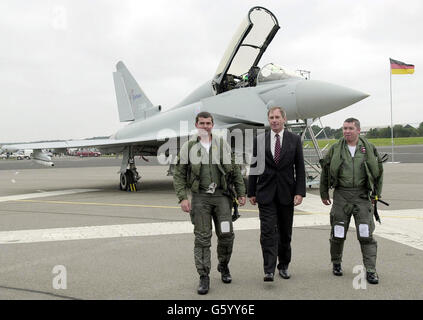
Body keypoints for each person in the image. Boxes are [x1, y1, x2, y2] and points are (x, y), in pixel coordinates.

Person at [173, 111, 246, 295]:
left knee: (227, 234)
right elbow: (179, 174)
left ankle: (223, 265)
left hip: (222, 197)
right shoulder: (188, 147)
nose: (205, 126)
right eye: (202, 123)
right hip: (201, 199)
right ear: (196, 125)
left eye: (208, 123)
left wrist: (241, 192)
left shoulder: (222, 144)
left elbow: (235, 169)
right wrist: (182, 197)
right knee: (202, 238)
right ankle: (204, 276)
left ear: (212, 125)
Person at [320, 118, 384, 284]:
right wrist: (324, 193)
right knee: (338, 233)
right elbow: (325, 171)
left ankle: (370, 270)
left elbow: (378, 173)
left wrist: (376, 195)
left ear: (358, 130)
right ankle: (336, 263)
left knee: (365, 233)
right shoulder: (335, 149)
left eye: (350, 128)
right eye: (344, 128)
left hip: (362, 197)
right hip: (341, 195)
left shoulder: (368, 149)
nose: (346, 131)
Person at [248, 106, 306, 282]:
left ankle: (284, 265)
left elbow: (300, 168)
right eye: (271, 117)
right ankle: (269, 269)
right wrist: (251, 191)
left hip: (287, 193)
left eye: (277, 117)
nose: (274, 120)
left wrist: (300, 192)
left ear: (284, 119)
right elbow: (254, 167)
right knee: (267, 231)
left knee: (284, 232)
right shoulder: (260, 140)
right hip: (265, 193)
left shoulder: (294, 140)